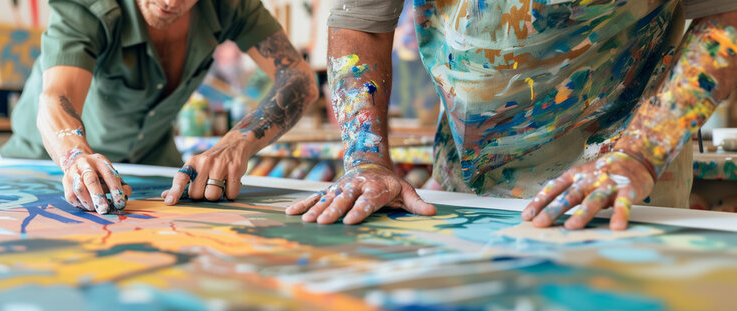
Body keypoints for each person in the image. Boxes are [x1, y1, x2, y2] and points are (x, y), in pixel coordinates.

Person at [287, 0, 737, 230]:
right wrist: (366, 158)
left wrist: (640, 153)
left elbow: (724, 18)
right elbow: (361, 22)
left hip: (621, 178)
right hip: (467, 187)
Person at [0, 0, 318, 214]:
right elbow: (57, 97)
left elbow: (299, 78)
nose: (170, 2)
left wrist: (238, 143)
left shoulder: (228, 4)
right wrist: (74, 157)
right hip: (45, 159)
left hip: (151, 157)